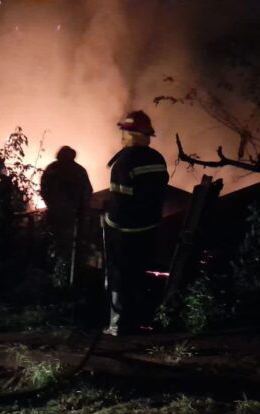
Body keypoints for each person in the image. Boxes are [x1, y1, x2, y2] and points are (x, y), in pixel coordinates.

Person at [103, 110, 169, 336]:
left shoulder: (123, 163)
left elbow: (120, 203)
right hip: (150, 228)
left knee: (120, 276)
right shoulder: (157, 159)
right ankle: (142, 320)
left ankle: (118, 325)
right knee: (141, 274)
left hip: (126, 232)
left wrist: (108, 221)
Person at [40, 146, 93, 287]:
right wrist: (81, 212)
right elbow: (87, 193)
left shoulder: (52, 169)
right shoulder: (79, 171)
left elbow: (44, 189)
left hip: (56, 216)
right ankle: (70, 280)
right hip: (73, 218)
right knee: (72, 249)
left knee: (54, 246)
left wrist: (52, 205)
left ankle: (54, 279)